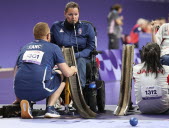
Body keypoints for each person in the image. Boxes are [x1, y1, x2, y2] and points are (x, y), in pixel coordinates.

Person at [14, 22, 77, 119]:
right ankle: (50, 108)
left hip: (19, 91)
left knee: (32, 73)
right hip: (40, 90)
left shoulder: (24, 48)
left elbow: (16, 72)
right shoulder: (54, 47)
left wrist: (18, 97)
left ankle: (27, 103)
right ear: (48, 36)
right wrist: (73, 69)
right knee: (62, 75)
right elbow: (67, 72)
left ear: (34, 35)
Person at [50, 1, 95, 88]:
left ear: (79, 14)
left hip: (81, 57)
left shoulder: (87, 27)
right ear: (65, 14)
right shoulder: (56, 27)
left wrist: (76, 55)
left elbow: (90, 47)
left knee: (81, 61)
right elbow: (51, 45)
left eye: (76, 14)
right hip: (61, 57)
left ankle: (80, 89)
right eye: (70, 14)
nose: (73, 17)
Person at [133, 43, 169, 114]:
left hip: (143, 109)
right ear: (159, 55)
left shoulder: (135, 69)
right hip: (163, 108)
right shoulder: (167, 69)